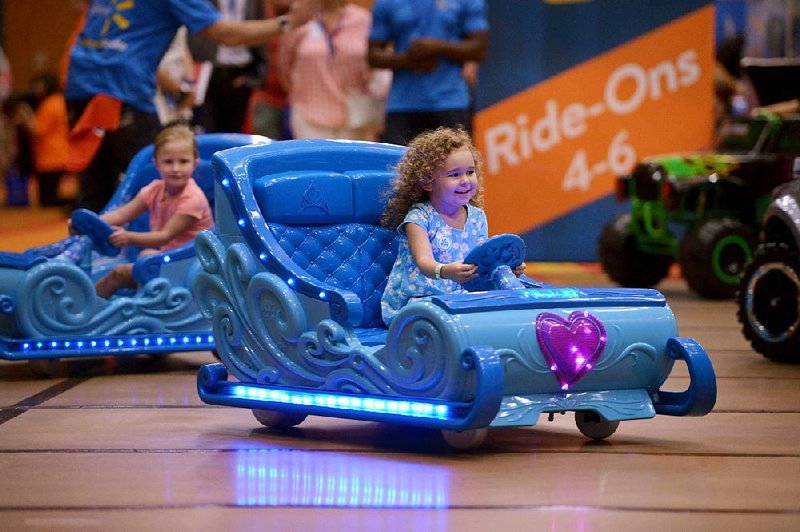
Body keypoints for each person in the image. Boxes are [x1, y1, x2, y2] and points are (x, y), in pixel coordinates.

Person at [64, 0, 313, 214]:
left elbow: (123, 36)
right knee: (156, 183)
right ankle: (143, 258)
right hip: (117, 92)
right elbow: (225, 34)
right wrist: (287, 22)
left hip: (80, 84)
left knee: (96, 185)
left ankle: (89, 256)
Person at [380, 127, 524, 325]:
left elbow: (481, 262)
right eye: (454, 175)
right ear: (427, 182)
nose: (465, 181)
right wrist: (446, 271)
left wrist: (505, 268)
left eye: (470, 172)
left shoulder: (477, 217)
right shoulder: (419, 218)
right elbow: (424, 263)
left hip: (460, 299)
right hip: (419, 303)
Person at [91, 124, 212, 298]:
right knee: (145, 256)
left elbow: (165, 236)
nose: (176, 168)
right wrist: (93, 222)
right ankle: (139, 301)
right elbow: (120, 214)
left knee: (119, 273)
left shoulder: (192, 199)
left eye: (183, 161)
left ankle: (91, 310)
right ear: (156, 163)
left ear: (195, 163)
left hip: (191, 261)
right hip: (171, 256)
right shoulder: (155, 189)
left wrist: (128, 237)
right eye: (168, 162)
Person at [367, 0, 488, 145]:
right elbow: (373, 55)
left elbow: (480, 49)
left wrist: (439, 47)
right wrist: (407, 60)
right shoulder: (386, 3)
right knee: (398, 166)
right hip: (402, 106)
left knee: (456, 166)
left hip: (450, 102)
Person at [279, 0, 388, 141]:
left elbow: (374, 63)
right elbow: (284, 66)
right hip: (308, 113)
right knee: (314, 161)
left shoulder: (363, 19)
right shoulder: (299, 19)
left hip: (356, 114)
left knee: (353, 162)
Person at [187, 0, 267, 134]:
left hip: (241, 74)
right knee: (204, 130)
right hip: (208, 71)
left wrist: (255, 76)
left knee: (235, 134)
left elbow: (261, 33)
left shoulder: (255, 3)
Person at [21, 72, 71, 207]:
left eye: (38, 85)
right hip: (59, 153)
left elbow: (37, 130)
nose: (35, 89)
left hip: (51, 157)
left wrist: (25, 114)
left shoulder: (49, 104)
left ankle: (74, 203)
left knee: (47, 200)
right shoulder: (60, 100)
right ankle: (74, 202)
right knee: (48, 197)